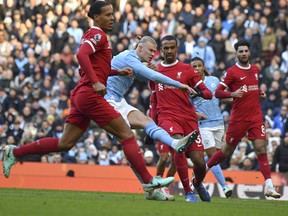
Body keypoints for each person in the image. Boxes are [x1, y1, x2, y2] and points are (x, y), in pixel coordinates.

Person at [2, 1, 174, 193]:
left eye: (112, 14)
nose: (112, 18)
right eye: (107, 15)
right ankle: (149, 180)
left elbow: (87, 67)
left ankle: (14, 152)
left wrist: (116, 72)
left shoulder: (93, 36)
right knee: (126, 134)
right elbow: (80, 56)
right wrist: (96, 82)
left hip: (80, 94)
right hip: (90, 95)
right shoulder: (98, 35)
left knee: (64, 143)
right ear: (96, 17)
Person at [105, 35, 199, 201]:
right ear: (139, 48)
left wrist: (150, 71)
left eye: (154, 51)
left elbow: (141, 76)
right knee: (129, 141)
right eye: (149, 50)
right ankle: (150, 186)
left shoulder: (134, 61)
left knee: (146, 123)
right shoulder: (129, 57)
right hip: (108, 101)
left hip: (118, 101)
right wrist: (179, 84)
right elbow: (151, 76)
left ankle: (174, 144)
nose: (152, 54)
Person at [206, 39, 281, 199]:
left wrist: (259, 94)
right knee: (226, 152)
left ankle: (268, 186)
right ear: (236, 53)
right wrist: (232, 94)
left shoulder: (255, 69)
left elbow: (251, 90)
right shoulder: (231, 72)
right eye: (241, 51)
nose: (244, 53)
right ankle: (203, 170)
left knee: (261, 149)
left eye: (246, 51)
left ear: (249, 52)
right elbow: (218, 93)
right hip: (239, 119)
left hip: (255, 117)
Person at [154, 35, 213, 202]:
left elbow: (208, 93)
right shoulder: (155, 71)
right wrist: (152, 124)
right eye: (166, 48)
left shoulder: (187, 70)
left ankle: (197, 182)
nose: (170, 51)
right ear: (162, 49)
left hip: (188, 118)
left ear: (177, 48)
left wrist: (199, 92)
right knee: (178, 148)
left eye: (172, 47)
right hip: (167, 117)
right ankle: (188, 192)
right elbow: (154, 99)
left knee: (199, 163)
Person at [190, 57, 232, 198]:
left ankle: (195, 178)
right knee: (212, 156)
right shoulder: (189, 85)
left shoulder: (213, 80)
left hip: (219, 123)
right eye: (194, 66)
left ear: (203, 67)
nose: (196, 68)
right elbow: (185, 105)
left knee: (216, 158)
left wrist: (233, 98)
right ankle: (225, 187)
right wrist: (195, 113)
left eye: (199, 66)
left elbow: (219, 96)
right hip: (204, 125)